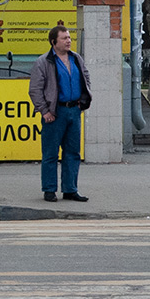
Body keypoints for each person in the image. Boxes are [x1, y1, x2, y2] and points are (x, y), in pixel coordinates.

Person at [29, 23, 92, 202]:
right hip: (55, 113)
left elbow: (86, 78)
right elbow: (35, 89)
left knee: (72, 152)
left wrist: (83, 100)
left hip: (74, 110)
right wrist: (44, 111)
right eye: (64, 38)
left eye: (69, 38)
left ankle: (70, 189)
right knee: (50, 152)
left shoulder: (76, 59)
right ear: (53, 41)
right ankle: (49, 189)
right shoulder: (43, 62)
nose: (68, 41)